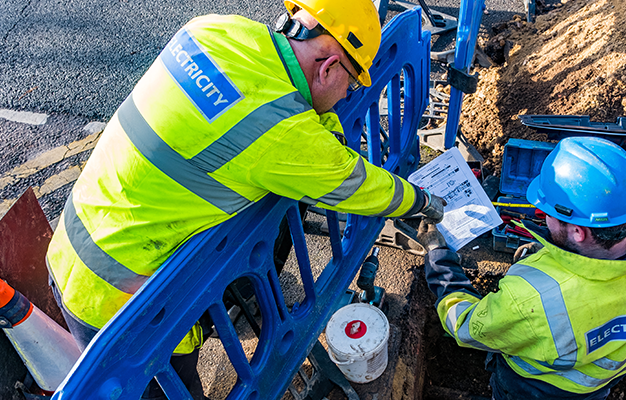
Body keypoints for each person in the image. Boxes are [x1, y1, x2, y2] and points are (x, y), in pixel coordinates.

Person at [45, 0, 445, 398]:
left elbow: (297, 119)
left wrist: (325, 126)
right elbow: (358, 184)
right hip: (121, 305)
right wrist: (423, 202)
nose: (346, 96)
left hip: (70, 243)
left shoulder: (213, 30)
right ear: (328, 67)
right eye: (352, 83)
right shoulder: (280, 134)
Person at [417, 136, 626, 400]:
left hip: (536, 390)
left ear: (578, 233)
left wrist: (438, 256)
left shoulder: (534, 300)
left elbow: (466, 325)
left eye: (548, 213)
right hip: (603, 382)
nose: (544, 217)